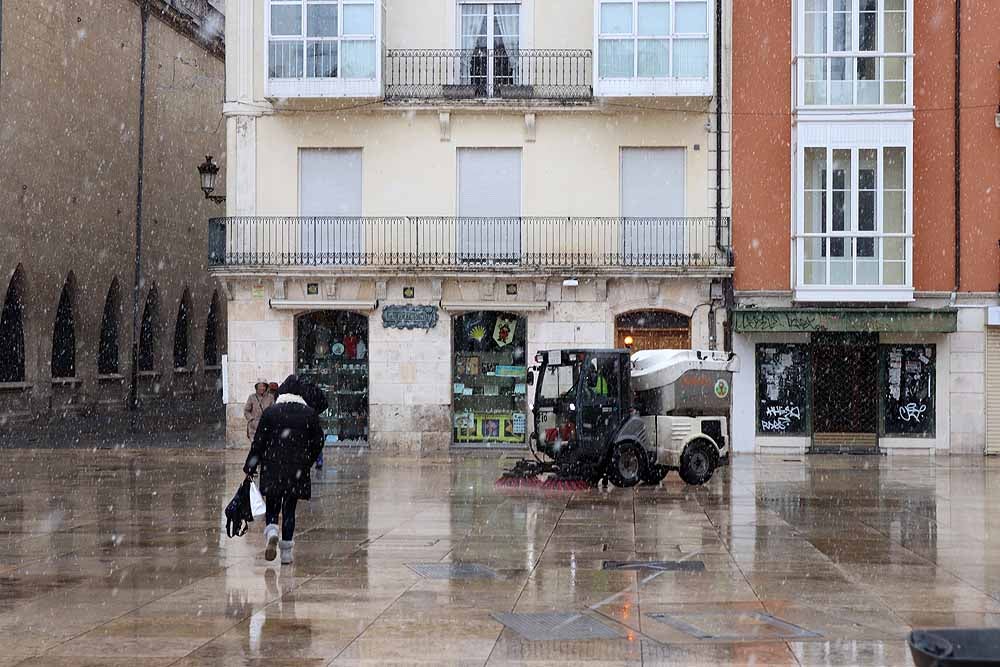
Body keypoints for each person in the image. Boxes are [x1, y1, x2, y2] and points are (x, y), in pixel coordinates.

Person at [244, 375, 324, 564]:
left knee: (273, 504)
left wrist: (250, 466)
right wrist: (308, 460)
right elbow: (318, 441)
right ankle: (286, 553)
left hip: (273, 467)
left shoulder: (271, 413)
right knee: (289, 509)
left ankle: (272, 530)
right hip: (296, 470)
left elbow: (258, 443)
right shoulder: (308, 414)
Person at [243, 378, 274, 443]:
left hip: (266, 426)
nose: (262, 388)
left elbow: (273, 411)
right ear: (256, 387)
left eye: (264, 386)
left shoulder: (270, 397)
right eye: (260, 386)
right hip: (254, 428)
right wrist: (252, 419)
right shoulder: (252, 397)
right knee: (255, 446)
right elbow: (246, 410)